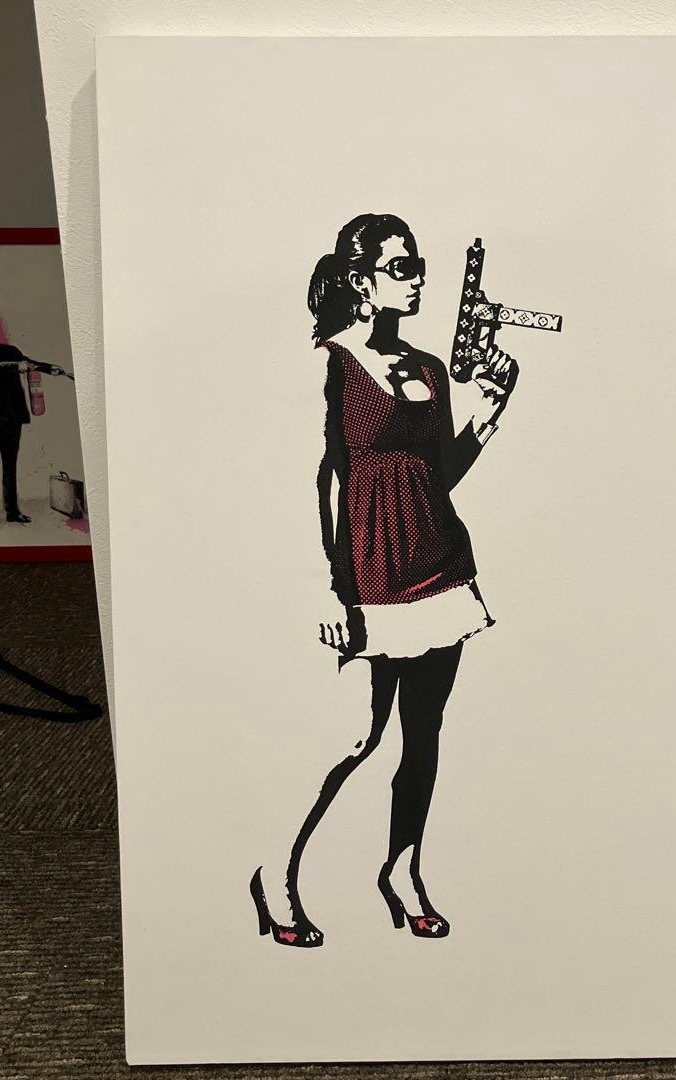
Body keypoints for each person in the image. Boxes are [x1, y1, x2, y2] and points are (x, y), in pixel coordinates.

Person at [250, 214, 518, 947]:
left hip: (439, 567)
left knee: (422, 736)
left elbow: (439, 475)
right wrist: (323, 587)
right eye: (402, 267)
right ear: (360, 282)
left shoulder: (429, 367)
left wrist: (488, 416)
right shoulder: (328, 365)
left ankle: (402, 872)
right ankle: (275, 874)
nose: (418, 278)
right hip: (364, 577)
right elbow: (314, 482)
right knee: (352, 737)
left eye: (419, 264)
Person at [0, 310, 68, 533]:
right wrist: (16, 366)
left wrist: (48, 368)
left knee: (10, 466)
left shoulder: (9, 350)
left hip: (13, 418)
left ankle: (12, 511)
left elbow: (27, 363)